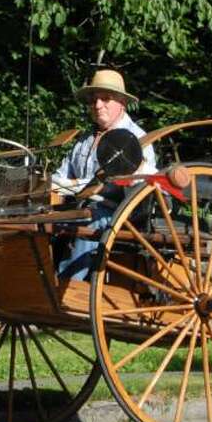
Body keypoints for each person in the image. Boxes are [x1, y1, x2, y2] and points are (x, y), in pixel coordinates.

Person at [50, 68, 156, 281]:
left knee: (92, 219)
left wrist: (71, 185)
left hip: (120, 215)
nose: (97, 105)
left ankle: (66, 286)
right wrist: (47, 185)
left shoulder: (137, 140)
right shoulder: (84, 140)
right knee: (39, 219)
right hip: (79, 208)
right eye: (93, 100)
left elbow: (137, 187)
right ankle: (37, 280)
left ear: (122, 103)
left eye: (105, 99)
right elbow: (59, 177)